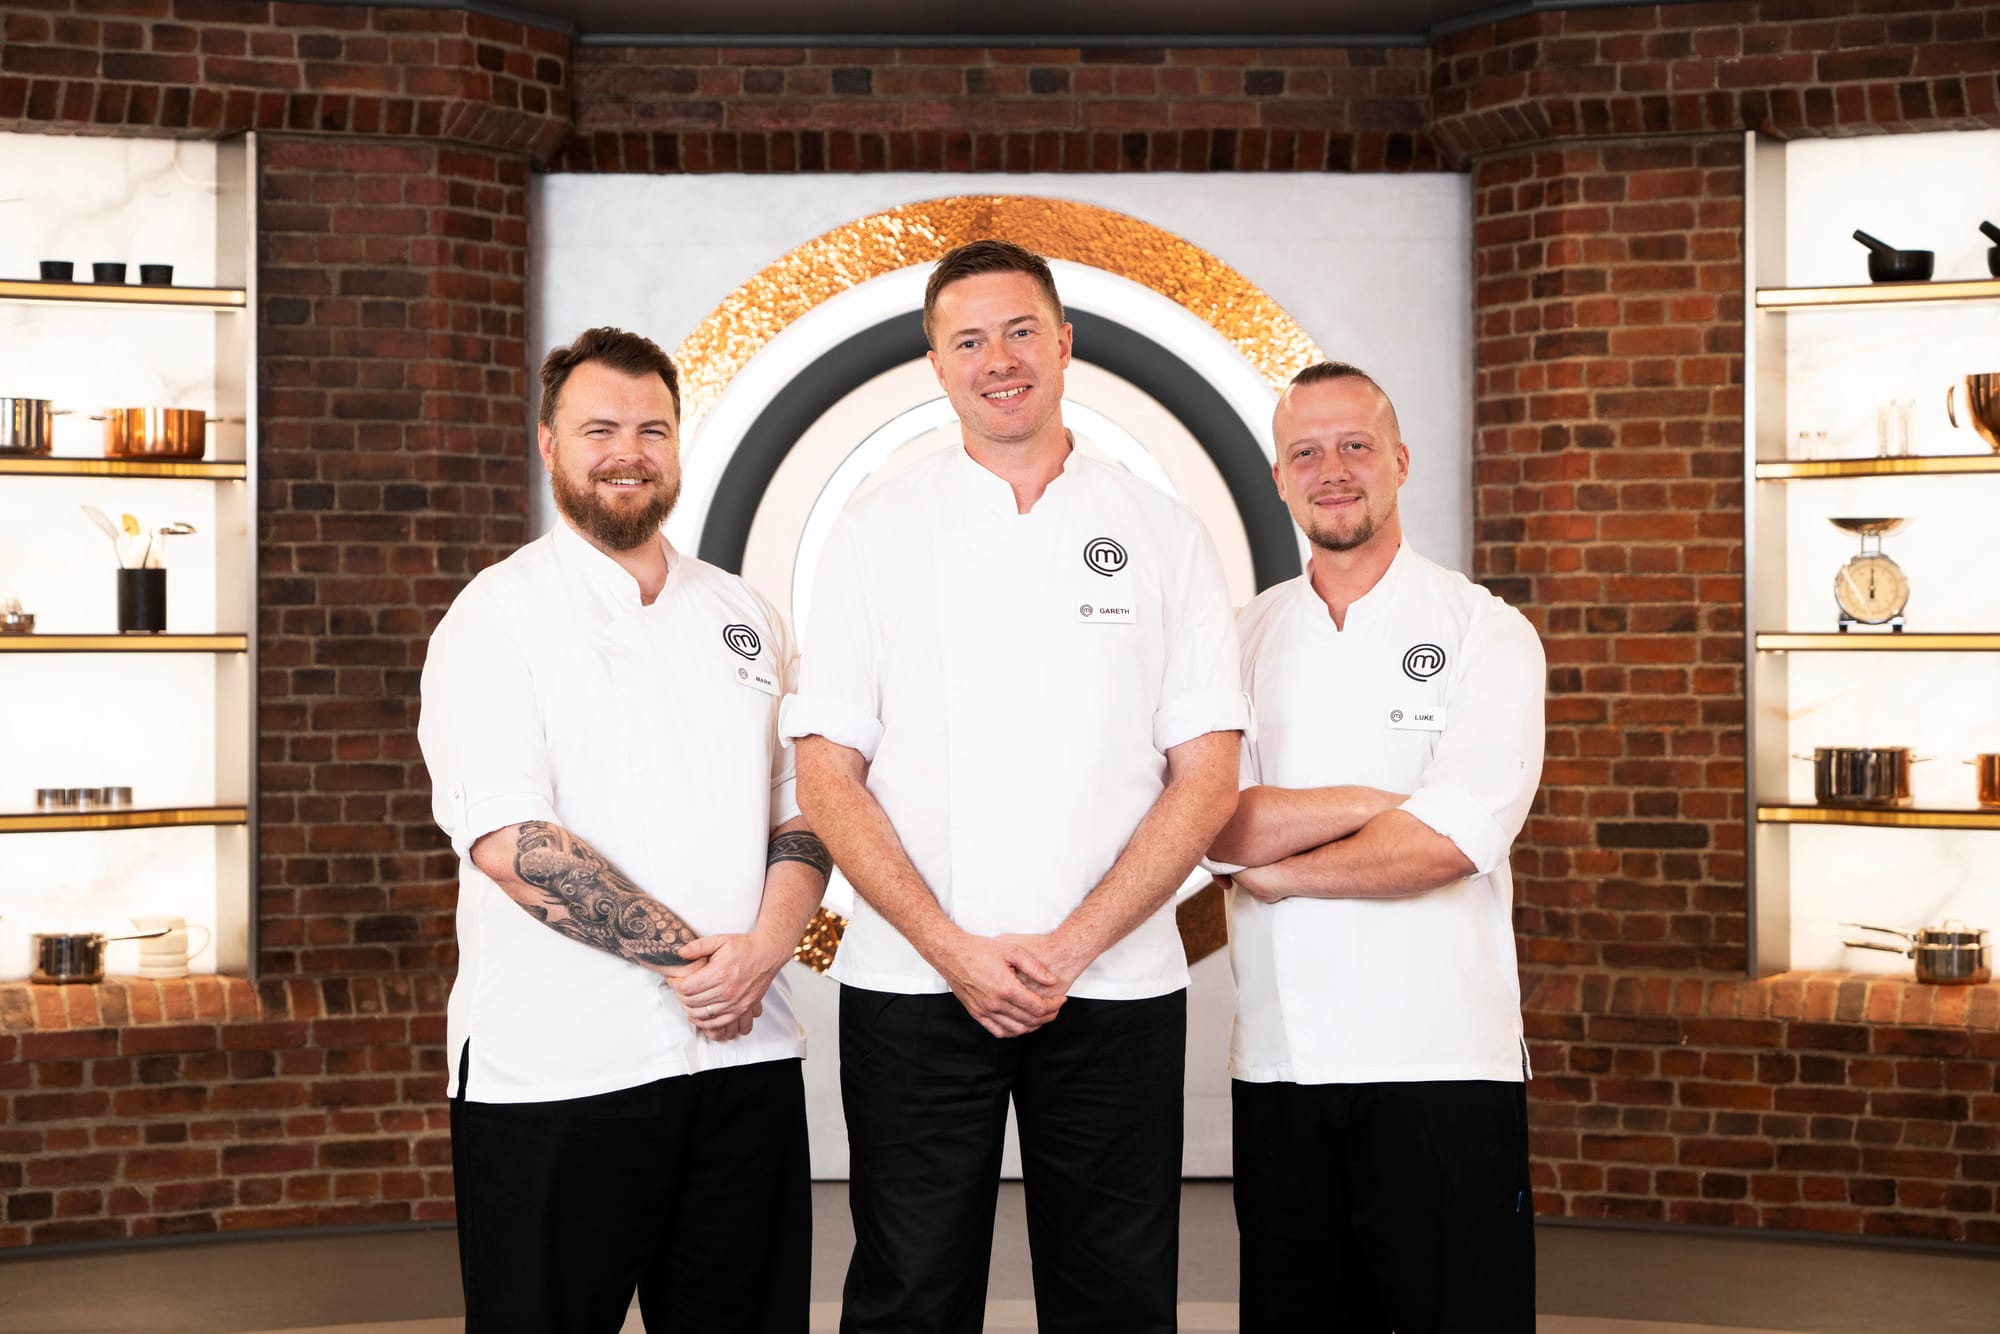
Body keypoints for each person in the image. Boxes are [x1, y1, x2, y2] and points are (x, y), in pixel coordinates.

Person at [783, 240, 1246, 1334]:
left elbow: (1207, 775)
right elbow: (826, 772)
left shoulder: (1160, 530)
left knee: (1117, 1298)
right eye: (969, 340)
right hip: (914, 982)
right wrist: (953, 950)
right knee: (907, 1293)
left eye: (1021, 330)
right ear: (936, 365)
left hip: (1116, 981)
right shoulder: (875, 526)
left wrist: (1072, 946)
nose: (999, 359)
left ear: (1065, 344)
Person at [418, 326, 830, 1334]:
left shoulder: (744, 612)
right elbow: (513, 844)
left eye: (652, 429)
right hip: (558, 1070)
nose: (628, 452)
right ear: (549, 444)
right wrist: (702, 967)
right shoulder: (496, 614)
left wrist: (762, 953)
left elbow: (806, 808)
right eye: (598, 428)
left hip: (744, 1063)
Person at [1207, 361, 1546, 1332]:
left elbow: (1449, 840)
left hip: (1445, 1062)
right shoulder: (1238, 641)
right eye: (1306, 452)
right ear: (1279, 477)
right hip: (1283, 1065)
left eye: (1354, 445)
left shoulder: (1485, 631)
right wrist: (1377, 801)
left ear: (1398, 460)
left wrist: (1279, 871)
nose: (1333, 470)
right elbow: (1213, 823)